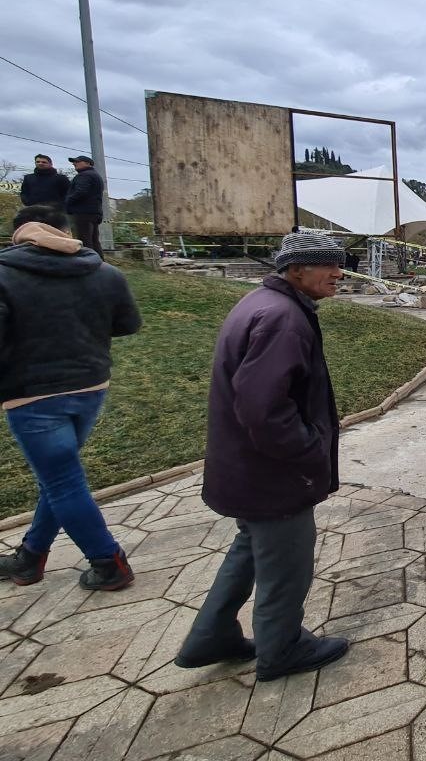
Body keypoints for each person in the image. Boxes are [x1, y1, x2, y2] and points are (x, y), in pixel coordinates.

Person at [176, 232, 350, 681]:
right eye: (327, 265)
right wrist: (309, 453)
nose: (339, 272)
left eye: (339, 262)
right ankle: (282, 649)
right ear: (296, 270)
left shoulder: (264, 304)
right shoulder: (282, 319)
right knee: (287, 565)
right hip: (273, 474)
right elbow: (264, 410)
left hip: (246, 468)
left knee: (250, 551)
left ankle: (210, 636)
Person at [0, 205, 141, 590]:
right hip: (90, 387)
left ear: (19, 234)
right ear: (65, 231)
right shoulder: (104, 271)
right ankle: (29, 557)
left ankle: (109, 563)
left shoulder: (4, 275)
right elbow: (128, 324)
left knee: (62, 481)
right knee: (60, 478)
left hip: (32, 396)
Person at [65, 155, 105, 256]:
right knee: (94, 241)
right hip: (94, 212)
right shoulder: (95, 175)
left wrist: (67, 201)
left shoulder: (84, 176)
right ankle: (100, 264)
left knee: (84, 241)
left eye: (77, 161)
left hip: (83, 213)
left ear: (88, 163)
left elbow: (81, 192)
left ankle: (89, 263)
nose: (74, 163)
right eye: (74, 162)